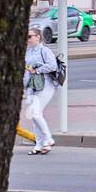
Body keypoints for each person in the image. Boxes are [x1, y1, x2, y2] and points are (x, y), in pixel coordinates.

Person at [23, 26, 59, 154]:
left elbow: (52, 65)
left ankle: (48, 139)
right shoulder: (29, 51)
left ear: (38, 37)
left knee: (36, 113)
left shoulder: (44, 50)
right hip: (32, 86)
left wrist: (37, 69)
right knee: (34, 116)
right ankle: (39, 145)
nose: (28, 39)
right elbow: (26, 70)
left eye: (30, 36)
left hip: (46, 85)